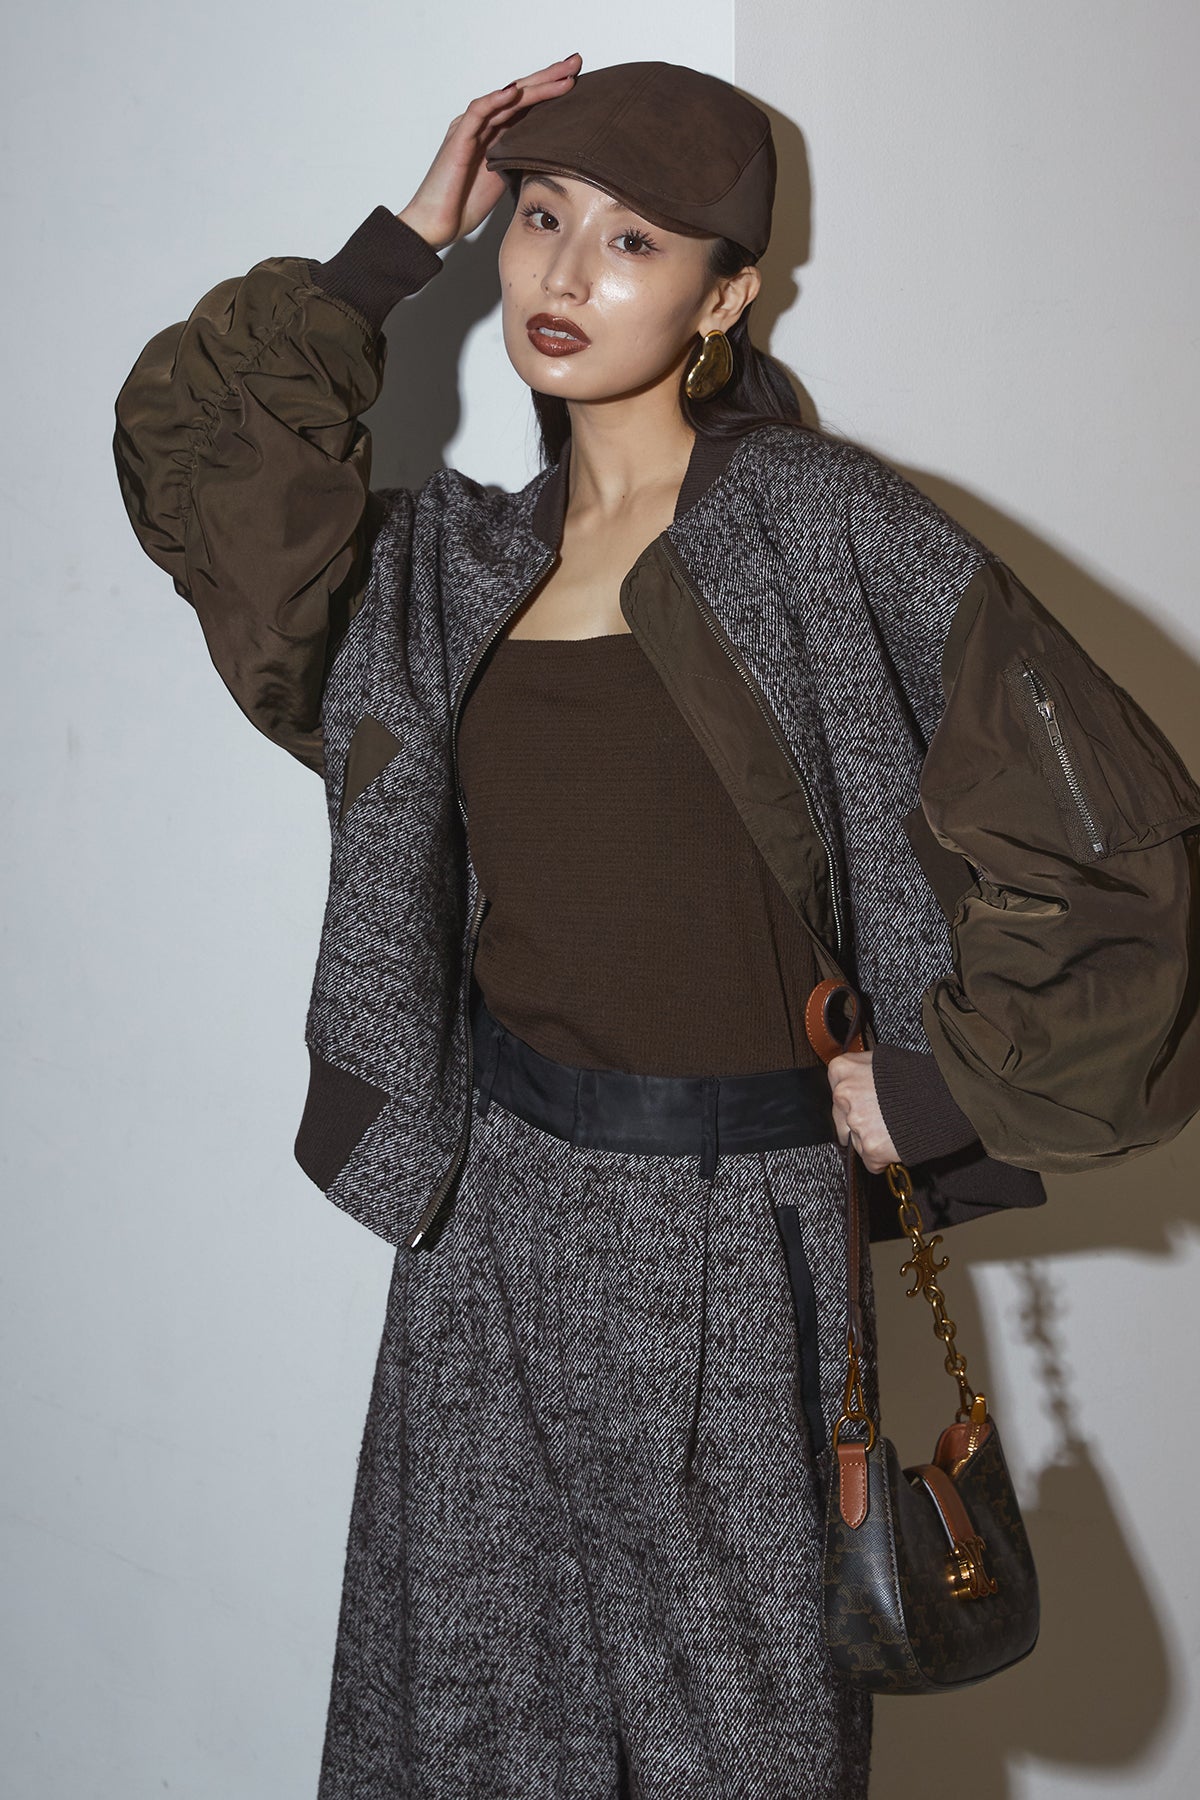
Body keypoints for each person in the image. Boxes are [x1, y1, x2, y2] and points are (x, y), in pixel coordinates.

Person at [112, 53, 1200, 1800]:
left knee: (736, 1754)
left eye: (632, 241)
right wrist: (406, 239)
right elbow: (198, 458)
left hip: (732, 1238)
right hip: (482, 1225)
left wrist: (944, 1086)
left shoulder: (812, 524)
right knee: (462, 1739)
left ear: (725, 294)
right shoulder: (450, 569)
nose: (561, 272)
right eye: (542, 219)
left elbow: (1119, 840)